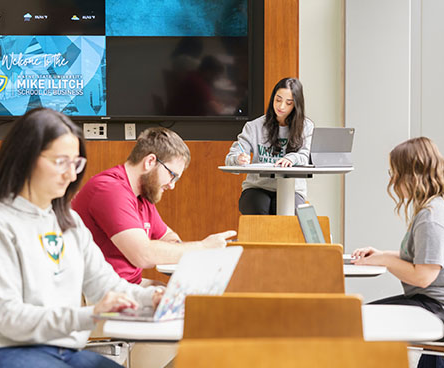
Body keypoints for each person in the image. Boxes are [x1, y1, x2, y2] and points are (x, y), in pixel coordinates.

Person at [0, 108, 158, 368]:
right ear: (25, 159)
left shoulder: (69, 222)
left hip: (60, 349)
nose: (71, 175)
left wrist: (154, 298)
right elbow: (8, 317)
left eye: (76, 164)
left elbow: (105, 285)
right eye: (61, 162)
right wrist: (90, 315)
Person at [351, 137, 444, 342]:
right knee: (355, 318)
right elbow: (424, 261)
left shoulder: (433, 217)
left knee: (352, 322)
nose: (392, 180)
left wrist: (385, 260)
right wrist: (381, 255)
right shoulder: (437, 208)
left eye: (394, 173)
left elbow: (423, 277)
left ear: (411, 175)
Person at [72, 127, 236, 285]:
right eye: (172, 176)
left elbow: (168, 237)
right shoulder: (110, 189)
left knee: (183, 298)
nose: (171, 185)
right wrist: (202, 247)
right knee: (189, 305)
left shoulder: (142, 194)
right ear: (150, 161)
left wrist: (179, 248)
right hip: (99, 293)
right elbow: (142, 254)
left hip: (126, 286)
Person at [225, 77, 314, 215]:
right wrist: (238, 159)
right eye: (278, 100)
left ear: (296, 105)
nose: (281, 106)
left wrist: (291, 159)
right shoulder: (254, 127)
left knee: (291, 214)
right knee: (258, 208)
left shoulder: (306, 127)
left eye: (288, 103)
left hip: (292, 189)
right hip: (258, 187)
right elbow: (231, 158)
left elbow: (305, 155)